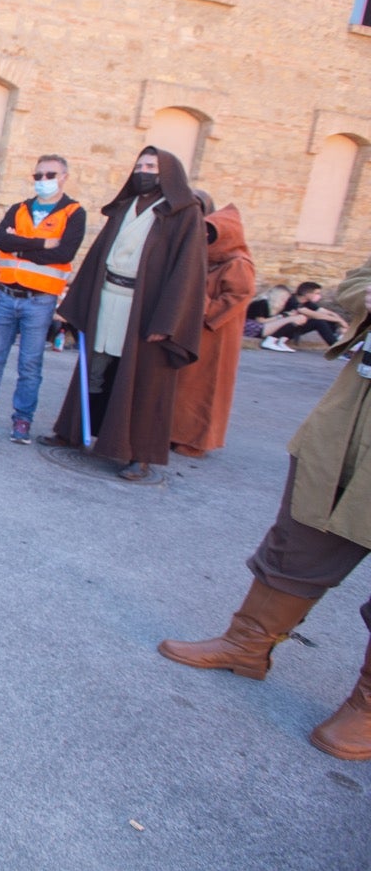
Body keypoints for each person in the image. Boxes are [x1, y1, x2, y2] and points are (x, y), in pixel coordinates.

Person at [157, 256, 371, 761]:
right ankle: (247, 644)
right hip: (353, 417)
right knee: (298, 541)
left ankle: (367, 705)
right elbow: (357, 280)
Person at [38, 145, 207, 480]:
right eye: (140, 165)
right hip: (107, 296)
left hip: (145, 307)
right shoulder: (125, 207)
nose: (143, 171)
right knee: (95, 365)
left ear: (169, 172)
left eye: (152, 166)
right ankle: (74, 431)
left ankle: (139, 454)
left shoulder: (184, 214)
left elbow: (188, 273)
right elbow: (99, 254)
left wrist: (168, 321)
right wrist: (78, 301)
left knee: (142, 378)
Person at [0, 154, 86, 444]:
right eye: (38, 176)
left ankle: (22, 420)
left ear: (64, 176)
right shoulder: (19, 208)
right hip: (6, 295)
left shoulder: (73, 213)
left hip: (39, 300)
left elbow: (64, 254)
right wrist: (40, 244)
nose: (42, 181)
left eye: (49, 175)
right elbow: (0, 240)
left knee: (29, 363)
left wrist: (19, 247)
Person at [169, 202, 255, 457]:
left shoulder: (238, 263)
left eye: (212, 234)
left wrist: (202, 305)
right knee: (186, 387)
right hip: (197, 332)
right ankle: (177, 432)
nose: (206, 238)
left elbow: (239, 295)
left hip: (217, 336)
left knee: (207, 390)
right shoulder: (210, 259)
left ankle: (197, 440)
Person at [265, 281, 347, 351]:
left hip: (290, 327)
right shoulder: (292, 300)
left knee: (327, 320)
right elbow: (315, 315)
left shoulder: (307, 302)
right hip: (275, 327)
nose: (319, 296)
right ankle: (337, 349)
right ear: (307, 294)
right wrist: (338, 320)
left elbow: (327, 313)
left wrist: (341, 322)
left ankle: (338, 337)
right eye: (316, 293)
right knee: (318, 322)